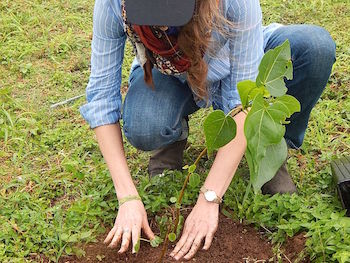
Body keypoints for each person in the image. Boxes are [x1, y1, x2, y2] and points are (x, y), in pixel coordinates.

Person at [79, 0, 336, 260]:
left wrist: (209, 199)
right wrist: (127, 197)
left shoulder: (236, 4)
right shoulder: (113, 4)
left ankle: (267, 147)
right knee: (145, 122)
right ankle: (170, 142)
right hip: (171, 71)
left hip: (236, 56)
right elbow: (101, 97)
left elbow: (241, 105)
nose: (162, 24)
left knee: (315, 46)